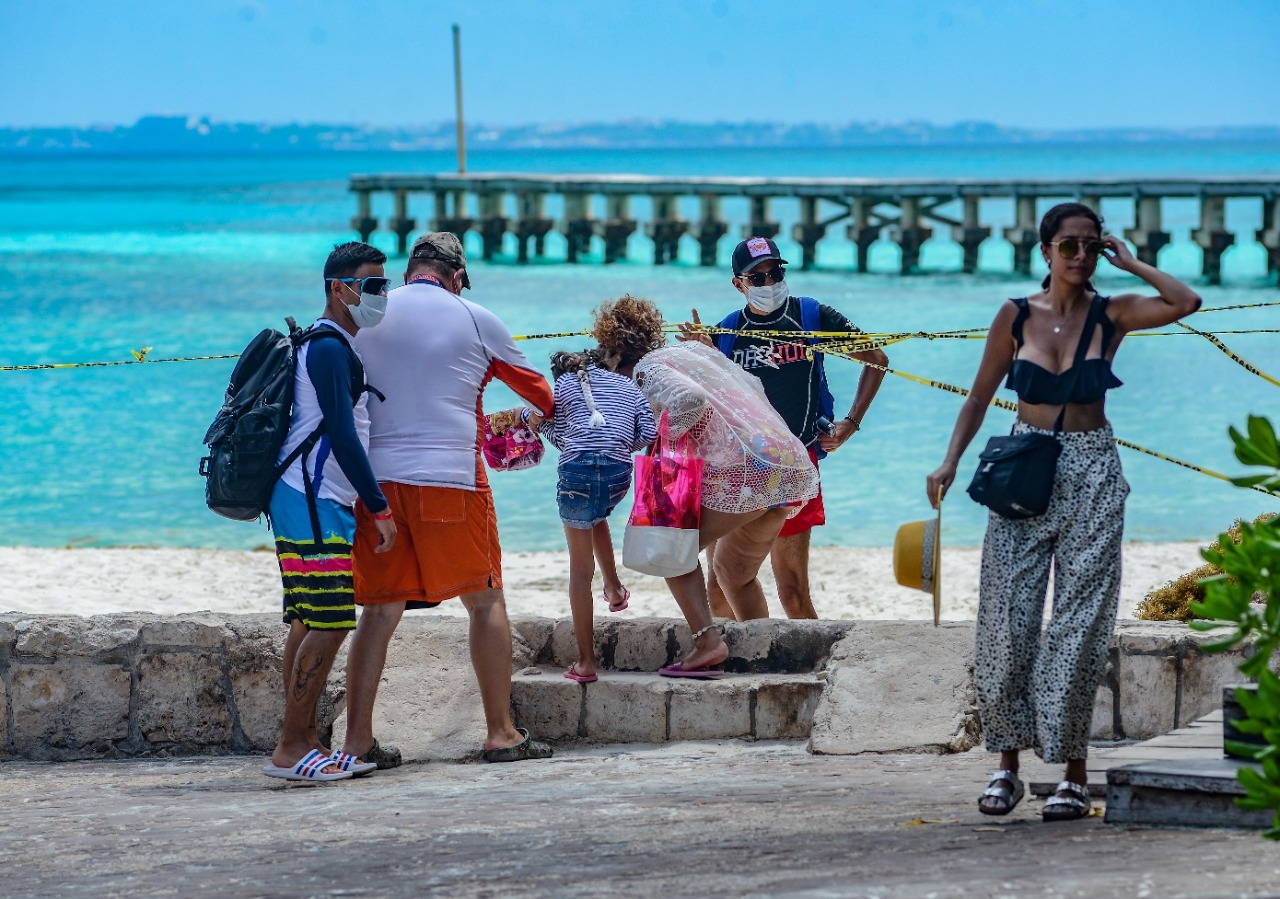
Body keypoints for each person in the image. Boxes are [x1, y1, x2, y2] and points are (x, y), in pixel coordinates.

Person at [925, 202, 1201, 821]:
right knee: (1005, 622)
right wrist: (948, 462)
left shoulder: (1114, 313)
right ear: (1045, 250)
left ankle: (1074, 773)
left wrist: (1131, 262)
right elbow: (977, 395)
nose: (1078, 256)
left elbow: (1185, 302)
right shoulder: (1016, 314)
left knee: (1080, 627)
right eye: (1067, 245)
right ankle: (1006, 766)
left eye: (1088, 246)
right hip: (1023, 468)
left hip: (1093, 469)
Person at [343, 232, 555, 765]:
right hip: (453, 480)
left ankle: (357, 741)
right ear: (457, 276)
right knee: (484, 603)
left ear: (412, 269)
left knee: (378, 610)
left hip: (377, 485)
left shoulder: (368, 317)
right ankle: (501, 733)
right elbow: (542, 396)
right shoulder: (477, 317)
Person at [593, 295, 818, 676]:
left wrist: (659, 441)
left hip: (748, 472)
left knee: (668, 547)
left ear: (615, 352)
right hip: (784, 462)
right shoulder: (693, 354)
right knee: (735, 573)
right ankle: (762, 659)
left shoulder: (648, 369)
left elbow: (690, 401)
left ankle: (707, 643)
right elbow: (752, 385)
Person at [680, 237, 887, 619]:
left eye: (775, 272)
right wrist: (702, 355)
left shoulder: (812, 316)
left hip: (796, 467)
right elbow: (714, 402)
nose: (769, 282)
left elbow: (876, 358)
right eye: (756, 277)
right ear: (738, 284)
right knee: (719, 587)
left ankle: (814, 669)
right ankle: (730, 671)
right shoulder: (726, 331)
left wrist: (851, 424)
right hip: (737, 469)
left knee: (792, 591)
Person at [261, 241, 398, 782]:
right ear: (339, 288)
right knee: (332, 619)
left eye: (384, 285)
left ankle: (302, 740)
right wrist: (379, 506)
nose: (381, 296)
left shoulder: (331, 343)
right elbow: (342, 433)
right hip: (312, 498)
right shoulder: (329, 348)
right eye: (372, 286)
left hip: (310, 499)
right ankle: (292, 746)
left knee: (307, 619)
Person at [523, 349, 657, 683]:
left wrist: (535, 424)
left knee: (580, 571)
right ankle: (613, 589)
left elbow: (560, 431)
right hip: (618, 475)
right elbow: (649, 432)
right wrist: (622, 444)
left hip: (578, 472)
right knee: (596, 516)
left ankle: (585, 662)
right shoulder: (627, 386)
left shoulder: (564, 385)